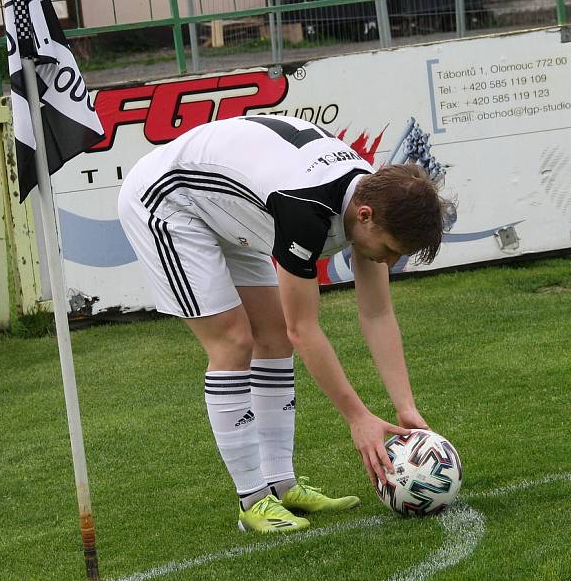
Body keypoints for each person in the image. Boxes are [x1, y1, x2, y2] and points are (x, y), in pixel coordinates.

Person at [117, 114, 451, 533]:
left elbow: (377, 313)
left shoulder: (373, 195)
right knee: (234, 341)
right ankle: (252, 501)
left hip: (226, 207)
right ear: (364, 216)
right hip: (168, 200)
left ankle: (281, 483)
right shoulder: (306, 210)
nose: (388, 261)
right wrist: (357, 417)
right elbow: (305, 328)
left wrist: (406, 408)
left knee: (272, 337)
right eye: (388, 250)